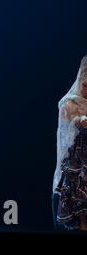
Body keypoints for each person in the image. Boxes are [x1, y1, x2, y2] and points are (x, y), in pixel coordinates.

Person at [54, 56, 87, 230]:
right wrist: (81, 119)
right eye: (85, 85)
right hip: (78, 162)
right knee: (81, 209)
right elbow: (73, 120)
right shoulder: (70, 103)